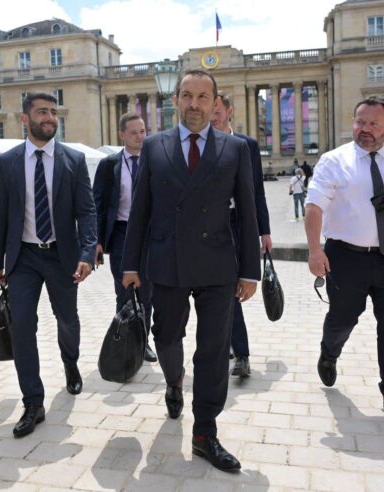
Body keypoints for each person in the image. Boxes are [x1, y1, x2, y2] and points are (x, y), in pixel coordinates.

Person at [122, 70, 261, 471]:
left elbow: (248, 213)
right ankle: (174, 380)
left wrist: (249, 271)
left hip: (218, 264)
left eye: (203, 97)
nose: (194, 104)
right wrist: (130, 264)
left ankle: (205, 432)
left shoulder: (234, 149)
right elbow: (140, 211)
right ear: (176, 100)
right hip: (166, 262)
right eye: (187, 96)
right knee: (165, 337)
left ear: (215, 103)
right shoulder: (154, 146)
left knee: (214, 350)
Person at [304, 96, 384, 423]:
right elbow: (314, 206)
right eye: (360, 122)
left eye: (373, 123)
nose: (365, 129)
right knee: (342, 319)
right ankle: (329, 353)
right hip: (345, 258)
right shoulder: (334, 161)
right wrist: (315, 250)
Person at [0, 92, 97, 438]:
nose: (50, 117)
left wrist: (86, 252)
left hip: (62, 257)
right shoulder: (7, 162)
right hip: (23, 258)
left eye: (53, 111)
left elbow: (87, 210)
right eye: (42, 112)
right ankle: (33, 402)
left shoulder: (73, 160)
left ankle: (70, 362)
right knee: (22, 326)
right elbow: (0, 215)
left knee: (67, 319)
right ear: (25, 118)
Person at [209, 92, 272, 378]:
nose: (212, 116)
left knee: (232, 290)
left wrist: (264, 231)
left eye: (217, 110)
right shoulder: (199, 145)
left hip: (237, 223)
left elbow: (256, 191)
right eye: (209, 111)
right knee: (220, 291)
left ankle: (241, 354)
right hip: (209, 225)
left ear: (229, 111)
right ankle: (233, 350)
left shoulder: (247, 145)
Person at [93, 112, 157, 362]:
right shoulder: (109, 165)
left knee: (147, 292)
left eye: (143, 131)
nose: (140, 137)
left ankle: (143, 341)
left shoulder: (154, 161)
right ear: (122, 135)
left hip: (149, 234)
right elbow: (97, 204)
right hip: (121, 233)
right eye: (134, 132)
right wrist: (96, 241)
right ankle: (124, 340)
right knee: (124, 291)